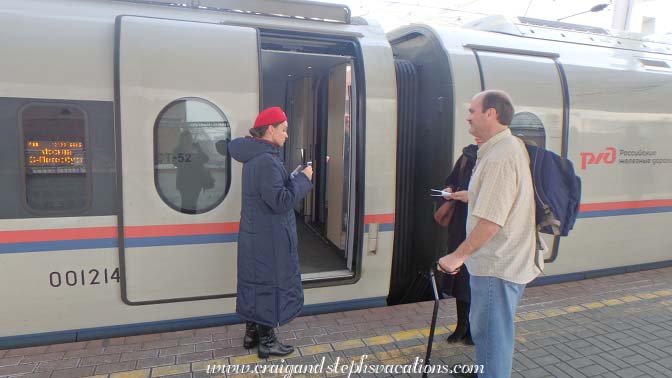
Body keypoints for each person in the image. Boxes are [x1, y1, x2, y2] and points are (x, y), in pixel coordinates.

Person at [438, 90, 540, 378]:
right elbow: (504, 196)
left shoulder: (500, 156)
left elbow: (492, 221)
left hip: (497, 265)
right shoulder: (506, 147)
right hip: (499, 264)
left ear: (491, 113)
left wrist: (457, 256)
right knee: (486, 332)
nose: (468, 116)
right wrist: (471, 194)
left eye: (472, 110)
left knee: (493, 336)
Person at [228, 106, 313, 359]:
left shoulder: (257, 157)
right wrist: (304, 180)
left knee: (256, 284)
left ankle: (251, 334)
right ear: (271, 129)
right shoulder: (266, 160)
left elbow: (271, 191)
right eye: (284, 130)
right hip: (268, 238)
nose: (287, 135)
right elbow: (280, 200)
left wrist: (293, 176)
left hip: (257, 234)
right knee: (267, 285)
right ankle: (267, 342)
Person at [439, 143, 477, 345]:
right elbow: (452, 180)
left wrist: (470, 196)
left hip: (481, 231)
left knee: (476, 283)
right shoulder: (466, 156)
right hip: (459, 228)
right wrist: (450, 189)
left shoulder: (497, 158)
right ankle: (461, 325)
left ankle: (473, 329)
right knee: (460, 281)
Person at [174, 130, 209, 214]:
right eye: (186, 138)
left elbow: (206, 159)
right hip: (183, 181)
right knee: (185, 203)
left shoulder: (196, 147)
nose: (188, 140)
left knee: (193, 203)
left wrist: (196, 153)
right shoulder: (178, 150)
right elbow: (175, 162)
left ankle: (192, 221)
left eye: (189, 138)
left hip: (196, 181)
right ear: (182, 139)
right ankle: (184, 221)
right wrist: (188, 154)